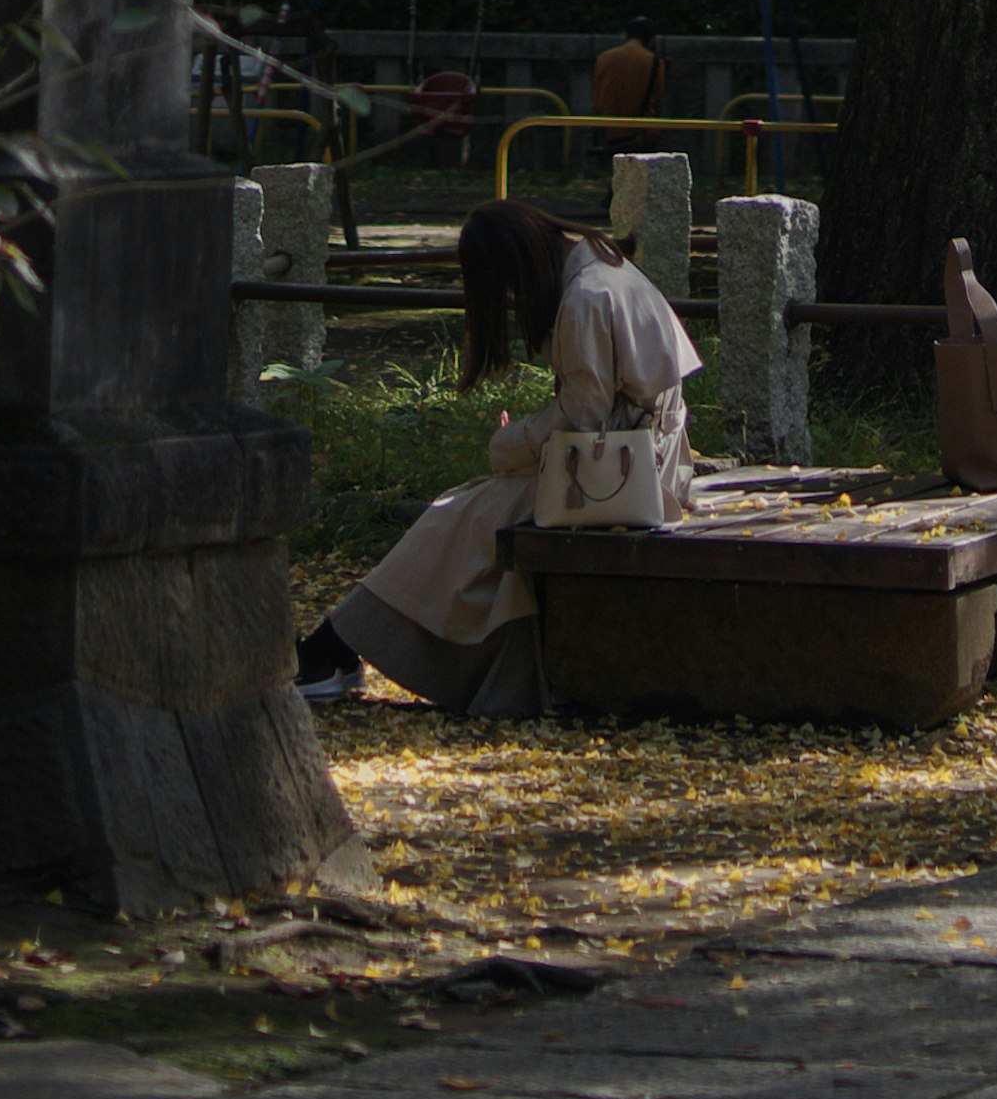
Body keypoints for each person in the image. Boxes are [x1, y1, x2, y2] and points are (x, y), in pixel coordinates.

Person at [293, 197, 699, 713]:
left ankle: (337, 648)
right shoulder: (601, 262)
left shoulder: (586, 298)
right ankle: (343, 644)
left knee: (457, 518)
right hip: (633, 460)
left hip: (621, 473)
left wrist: (512, 443)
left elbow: (584, 417)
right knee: (468, 514)